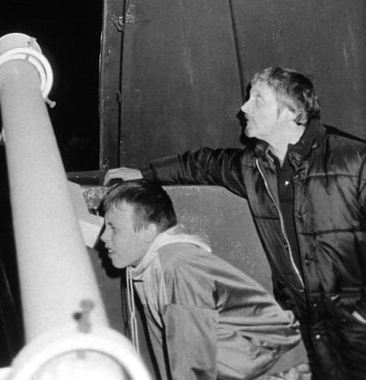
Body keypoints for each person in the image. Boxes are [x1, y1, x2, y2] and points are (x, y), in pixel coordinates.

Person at [103, 66, 366, 379]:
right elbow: (203, 163)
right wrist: (144, 174)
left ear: (290, 111)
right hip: (311, 326)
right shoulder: (253, 167)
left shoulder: (353, 160)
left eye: (258, 99)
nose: (244, 108)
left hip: (357, 324)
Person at [100, 179, 303, 379]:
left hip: (280, 366)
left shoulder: (177, 266)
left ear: (148, 231)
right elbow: (167, 352)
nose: (103, 237)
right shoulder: (147, 267)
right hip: (250, 364)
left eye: (113, 228)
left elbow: (195, 364)